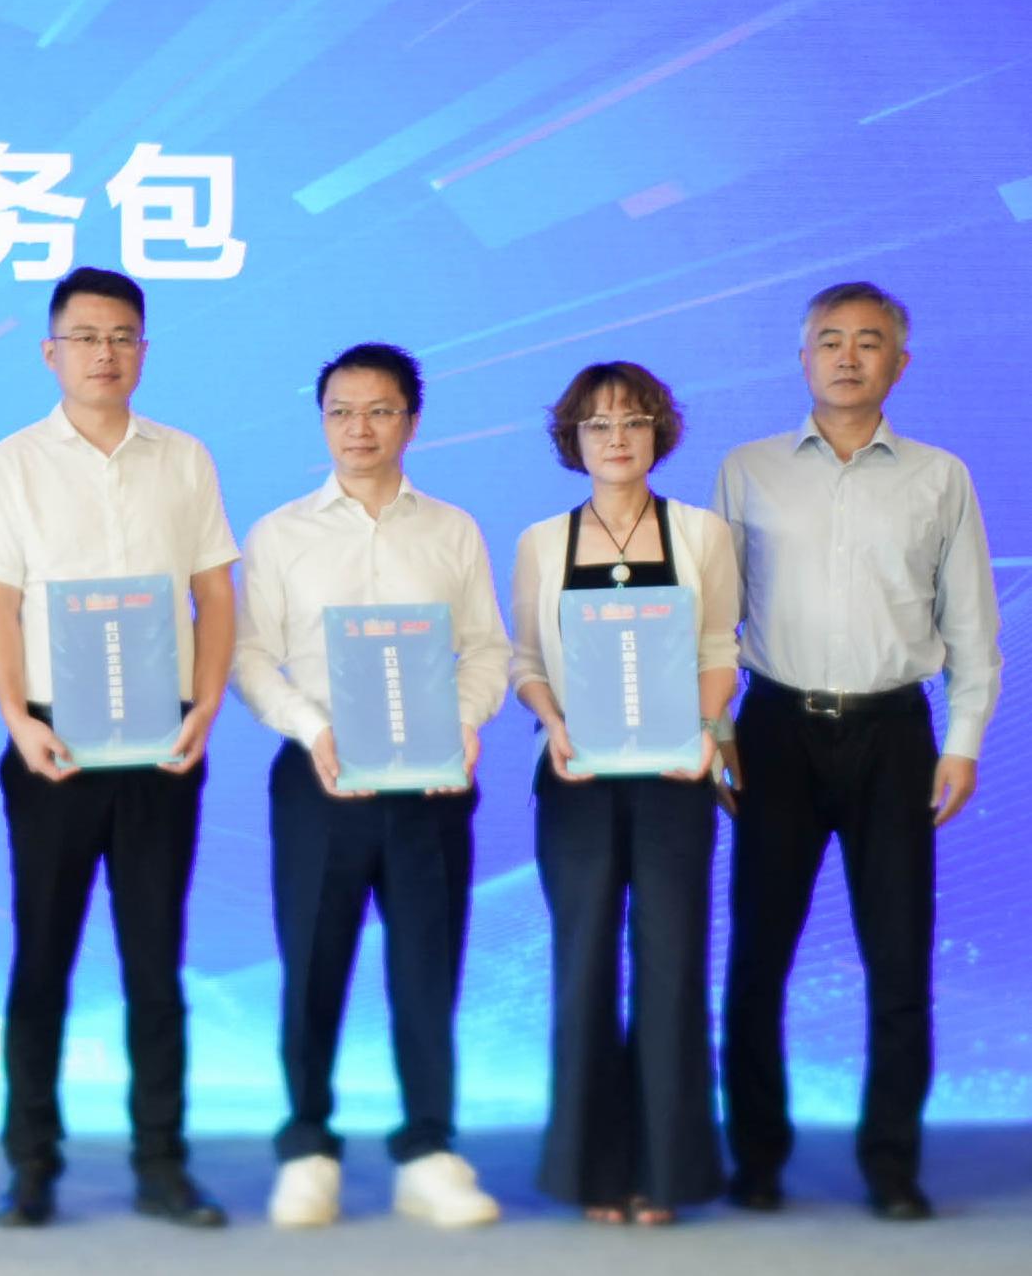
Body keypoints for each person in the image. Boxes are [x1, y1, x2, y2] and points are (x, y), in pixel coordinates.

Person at [716, 281, 1001, 1222]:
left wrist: (962, 742)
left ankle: (891, 1166)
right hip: (773, 731)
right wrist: (715, 731)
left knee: (898, 959)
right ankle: (755, 1157)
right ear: (801, 358)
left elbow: (971, 624)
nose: (847, 356)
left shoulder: (939, 477)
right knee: (757, 956)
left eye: (867, 341)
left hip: (894, 735)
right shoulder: (747, 470)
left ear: (899, 363)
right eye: (828, 340)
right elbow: (714, 621)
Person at [0, 265, 236, 1231]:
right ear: (50, 352)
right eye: (84, 337)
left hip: (162, 744)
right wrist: (17, 721)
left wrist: (207, 707)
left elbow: (215, 595)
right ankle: (30, 1163)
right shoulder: (13, 461)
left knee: (154, 963)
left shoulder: (184, 457)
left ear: (144, 350)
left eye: (121, 336)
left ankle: (161, 1162)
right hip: (53, 745)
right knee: (41, 958)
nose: (103, 353)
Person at [232, 343, 509, 1231]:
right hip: (319, 782)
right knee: (312, 969)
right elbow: (248, 655)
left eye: (380, 410)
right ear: (321, 422)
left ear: (411, 422)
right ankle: (307, 1145)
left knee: (427, 970)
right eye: (341, 411)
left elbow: (487, 648)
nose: (359, 428)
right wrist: (309, 728)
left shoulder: (452, 530)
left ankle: (427, 1148)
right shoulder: (279, 533)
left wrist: (465, 719)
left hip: (430, 786)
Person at [508, 360, 739, 1226]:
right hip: (576, 777)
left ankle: (665, 1171)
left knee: (672, 968)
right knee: (584, 969)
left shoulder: (699, 533)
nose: (616, 439)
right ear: (571, 438)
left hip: (676, 777)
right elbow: (526, 662)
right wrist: (550, 722)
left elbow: (719, 649)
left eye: (633, 421)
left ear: (658, 433)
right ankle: (592, 1170)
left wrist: (706, 735)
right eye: (597, 424)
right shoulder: (541, 542)